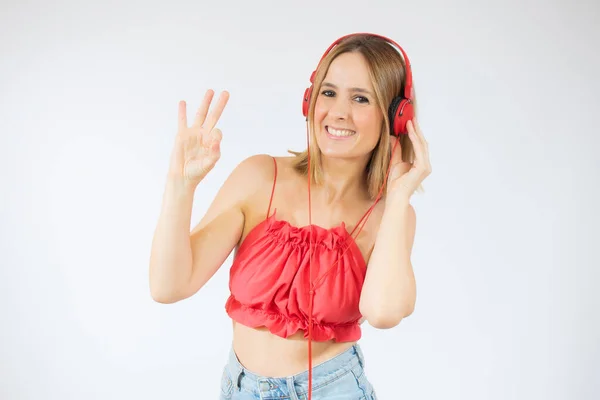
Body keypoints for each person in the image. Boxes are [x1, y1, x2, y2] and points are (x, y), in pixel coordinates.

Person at [149, 32, 432, 400]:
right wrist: (180, 185)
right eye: (328, 93)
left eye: (361, 98)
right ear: (309, 100)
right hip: (241, 389)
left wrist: (396, 199)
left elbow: (382, 312)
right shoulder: (259, 178)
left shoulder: (392, 215)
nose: (339, 112)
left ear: (395, 118)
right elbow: (168, 286)